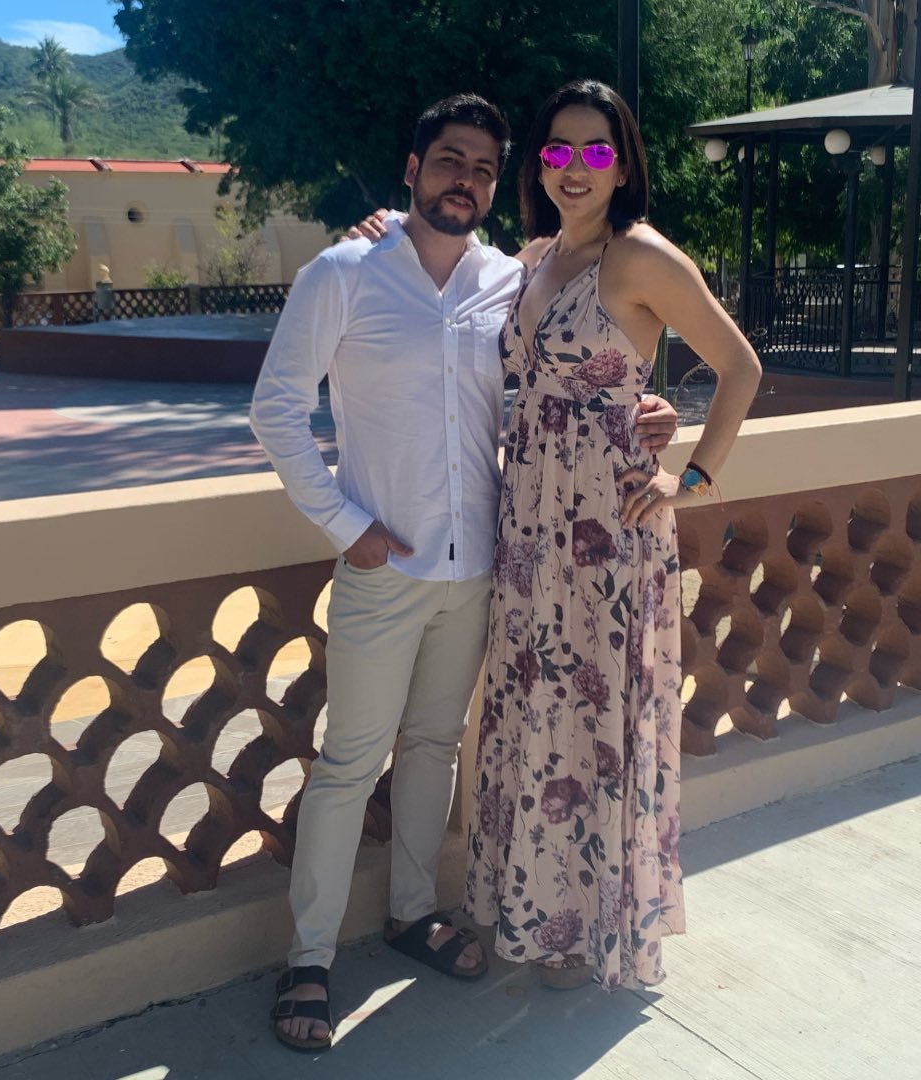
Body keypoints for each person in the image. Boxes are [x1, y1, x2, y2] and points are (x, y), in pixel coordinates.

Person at [250, 93, 678, 1051]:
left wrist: (655, 412)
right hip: (382, 563)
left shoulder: (508, 278)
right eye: (449, 160)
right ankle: (309, 958)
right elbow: (275, 409)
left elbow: (587, 360)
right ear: (412, 170)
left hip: (485, 564)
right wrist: (344, 524)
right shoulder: (343, 273)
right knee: (349, 762)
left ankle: (411, 913)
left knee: (436, 746)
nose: (465, 181)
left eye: (483, 168)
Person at [463, 80, 761, 991]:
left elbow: (740, 367)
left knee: (594, 715)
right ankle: (537, 909)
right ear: (538, 163)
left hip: (605, 526)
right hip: (531, 521)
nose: (575, 167)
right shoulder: (536, 257)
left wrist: (689, 478)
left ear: (624, 165)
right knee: (536, 704)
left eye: (596, 151)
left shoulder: (641, 257)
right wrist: (378, 229)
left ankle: (588, 928)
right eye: (558, 149)